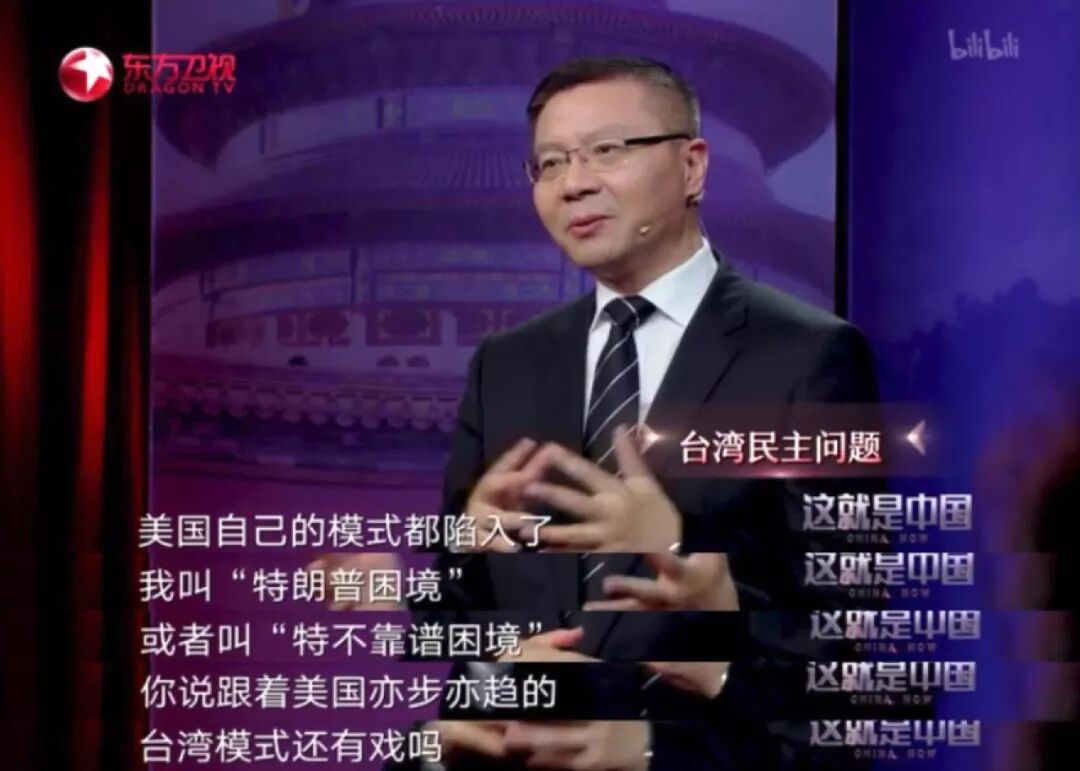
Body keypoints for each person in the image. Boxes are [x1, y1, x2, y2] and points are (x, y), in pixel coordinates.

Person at [323, 56, 879, 769]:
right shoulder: (507, 364)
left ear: (692, 166)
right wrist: (413, 591)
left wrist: (649, 747)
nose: (573, 183)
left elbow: (842, 653)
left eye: (607, 150)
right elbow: (477, 611)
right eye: (550, 163)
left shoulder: (809, 356)